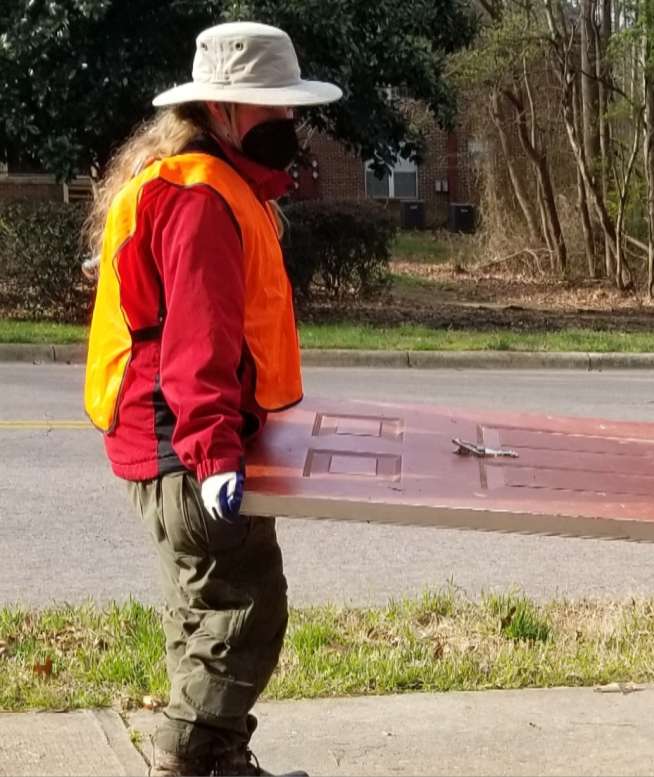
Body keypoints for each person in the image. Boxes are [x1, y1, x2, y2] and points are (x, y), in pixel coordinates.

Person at [83, 21, 340, 776]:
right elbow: (196, 343)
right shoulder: (200, 203)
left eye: (292, 111)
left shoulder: (204, 181)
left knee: (202, 616)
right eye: (273, 110)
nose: (289, 126)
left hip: (163, 445)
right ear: (222, 112)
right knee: (247, 610)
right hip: (186, 450)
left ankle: (216, 758)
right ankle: (189, 759)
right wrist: (214, 453)